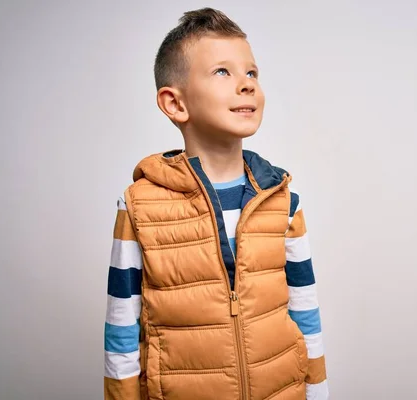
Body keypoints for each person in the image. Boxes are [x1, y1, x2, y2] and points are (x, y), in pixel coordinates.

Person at [103, 8, 328, 400]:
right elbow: (121, 331)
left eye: (252, 73)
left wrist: (318, 392)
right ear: (175, 104)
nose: (246, 85)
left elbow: (306, 315)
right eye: (223, 72)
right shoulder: (139, 207)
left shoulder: (283, 201)